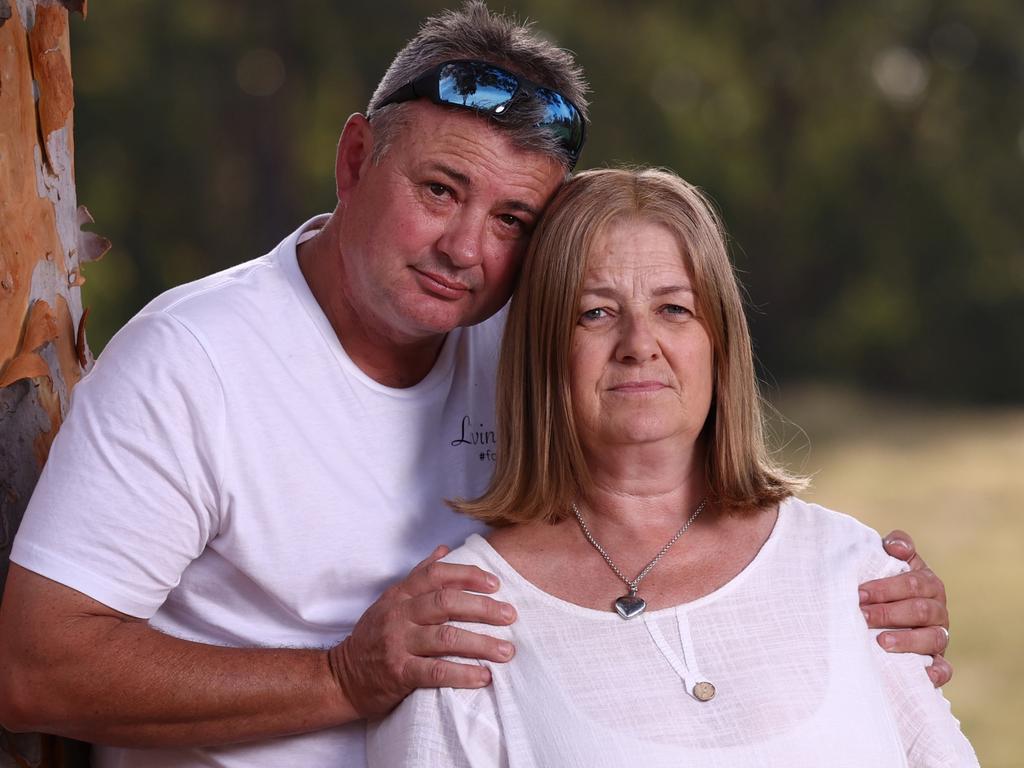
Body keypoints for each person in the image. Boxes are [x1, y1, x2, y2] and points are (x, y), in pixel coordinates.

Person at [0, 4, 950, 767]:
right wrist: (342, 678)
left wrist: (846, 589)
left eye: (513, 219)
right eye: (441, 190)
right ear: (357, 159)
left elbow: (664, 486)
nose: (467, 250)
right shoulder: (194, 362)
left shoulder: (521, 341)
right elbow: (32, 667)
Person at [367, 167, 977, 767]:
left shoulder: (857, 573)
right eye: (595, 313)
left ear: (721, 341)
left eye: (674, 309)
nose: (639, 342)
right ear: (543, 349)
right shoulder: (465, 620)